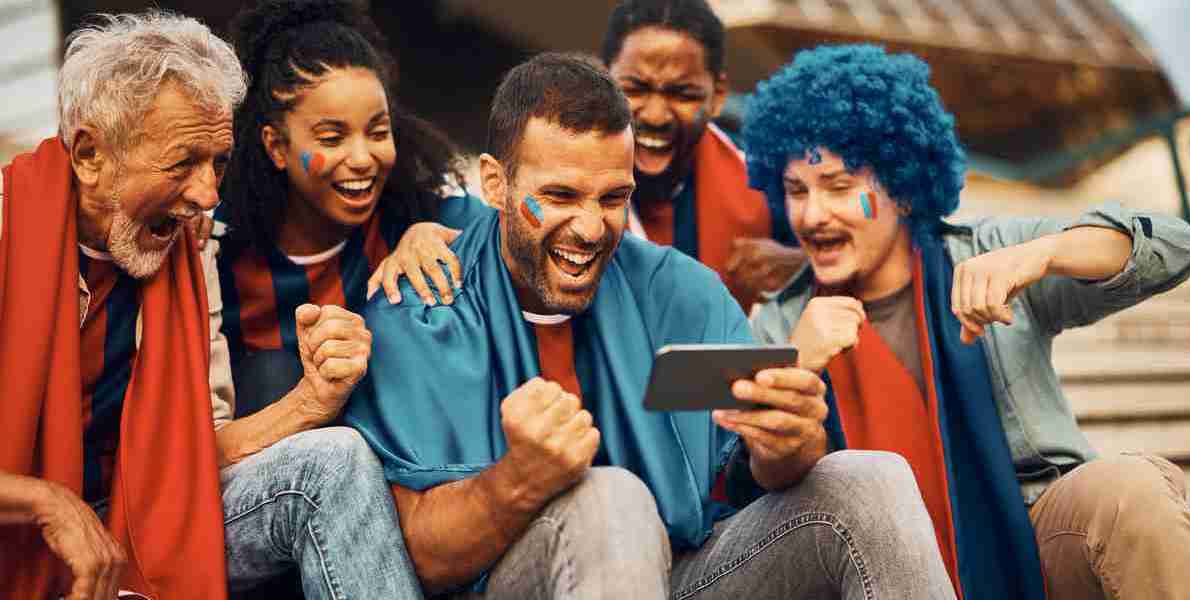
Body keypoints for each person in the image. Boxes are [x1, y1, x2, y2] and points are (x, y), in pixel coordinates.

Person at [344, 52, 956, 600]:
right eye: (560, 196)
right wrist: (517, 481)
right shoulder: (422, 299)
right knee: (612, 497)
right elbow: (417, 561)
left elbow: (748, 475)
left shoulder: (682, 293)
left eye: (613, 199)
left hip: (679, 573)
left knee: (870, 480)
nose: (590, 228)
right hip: (507, 581)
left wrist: (788, 448)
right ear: (495, 183)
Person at [743, 44, 1190, 600]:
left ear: (902, 190)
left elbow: (1175, 246)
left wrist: (1045, 254)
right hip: (866, 569)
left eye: (839, 187)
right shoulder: (780, 322)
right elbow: (762, 482)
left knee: (1132, 490)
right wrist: (797, 372)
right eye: (796, 191)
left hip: (1030, 532)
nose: (812, 215)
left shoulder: (989, 250)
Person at [0, 10, 424, 600]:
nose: (207, 195)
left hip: (146, 522)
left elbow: (200, 449)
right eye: (183, 163)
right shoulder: (8, 224)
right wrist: (44, 502)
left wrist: (312, 401)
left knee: (334, 461)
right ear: (91, 155)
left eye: (218, 163)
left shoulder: (189, 244)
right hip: (19, 534)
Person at [216, 0, 484, 414]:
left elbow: (515, 239)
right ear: (277, 146)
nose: (362, 159)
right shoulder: (215, 250)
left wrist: (431, 234)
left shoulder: (418, 216)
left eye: (377, 132)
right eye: (331, 138)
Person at [600, 0, 807, 310]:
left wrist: (803, 268)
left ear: (718, 96)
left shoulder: (769, 183)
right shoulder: (555, 173)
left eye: (683, 94)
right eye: (635, 89)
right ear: (601, 80)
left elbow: (867, 259)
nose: (656, 116)